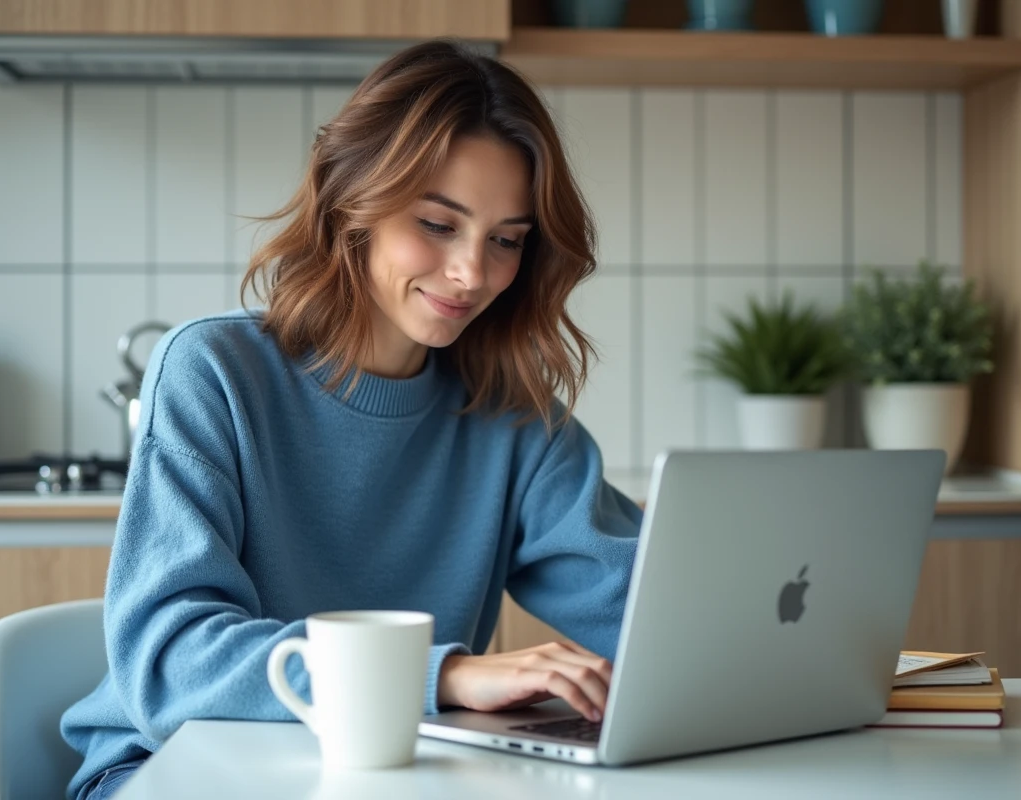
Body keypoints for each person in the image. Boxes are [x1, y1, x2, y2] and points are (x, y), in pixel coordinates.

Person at [61, 38, 643, 800]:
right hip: (169, 768)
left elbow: (647, 611)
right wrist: (448, 675)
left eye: (505, 241)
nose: (473, 272)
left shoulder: (516, 424)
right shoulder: (214, 372)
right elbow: (171, 666)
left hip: (382, 780)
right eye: (438, 224)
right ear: (352, 202)